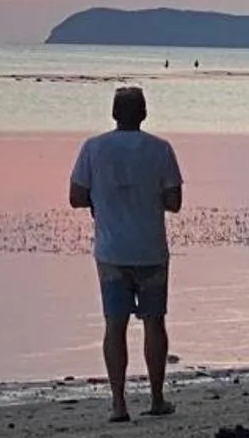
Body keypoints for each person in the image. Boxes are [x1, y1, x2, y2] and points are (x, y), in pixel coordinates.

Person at [70, 84, 183, 421]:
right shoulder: (161, 149)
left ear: (114, 114)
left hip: (111, 251)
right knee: (154, 323)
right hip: (150, 249)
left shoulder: (93, 148)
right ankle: (156, 397)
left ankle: (119, 404)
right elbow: (174, 202)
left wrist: (102, 199)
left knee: (114, 326)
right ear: (144, 114)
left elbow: (76, 196)